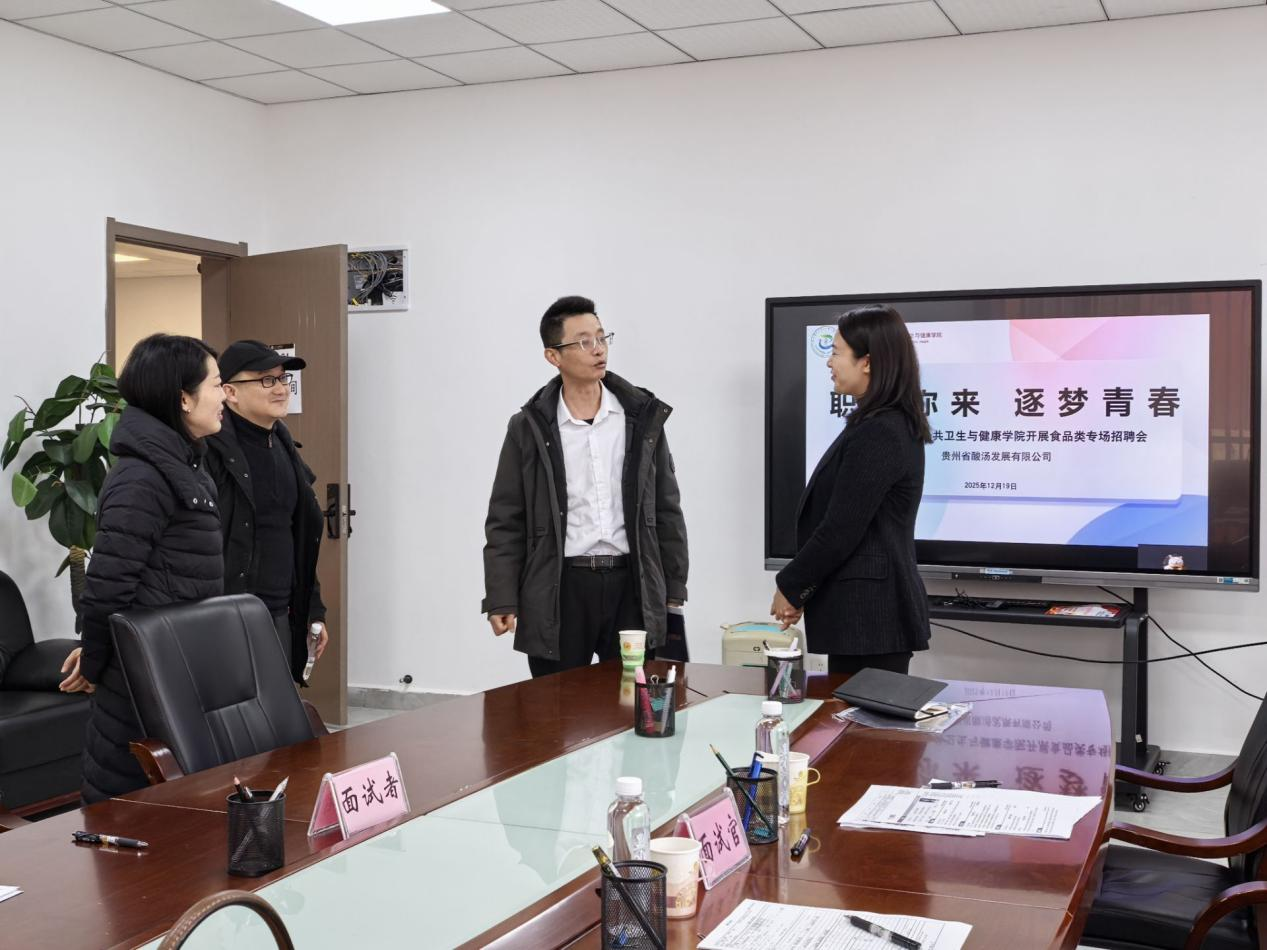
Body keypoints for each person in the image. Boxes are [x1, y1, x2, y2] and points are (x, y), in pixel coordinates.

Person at [483, 295, 688, 677]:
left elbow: (666, 507)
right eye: (583, 341)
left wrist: (674, 589)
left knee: (632, 699)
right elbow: (506, 518)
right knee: (555, 705)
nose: (598, 349)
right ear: (553, 356)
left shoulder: (640, 418)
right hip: (560, 586)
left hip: (632, 584)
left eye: (601, 337)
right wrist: (501, 597)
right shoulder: (529, 428)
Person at [60, 334, 226, 803]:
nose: (225, 396)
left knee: (181, 804)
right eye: (216, 384)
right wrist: (94, 662)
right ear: (183, 398)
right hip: (143, 673)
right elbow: (107, 587)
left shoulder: (184, 464)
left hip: (177, 662)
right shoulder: (142, 477)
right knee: (132, 804)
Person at [770, 304, 932, 676]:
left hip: (871, 619)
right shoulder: (877, 423)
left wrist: (791, 585)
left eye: (836, 352)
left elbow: (841, 528)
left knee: (863, 715)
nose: (829, 363)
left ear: (868, 362)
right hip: (863, 620)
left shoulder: (881, 430)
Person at [204, 340, 328, 683]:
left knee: (278, 709)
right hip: (228, 615)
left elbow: (298, 535)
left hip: (280, 612)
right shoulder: (210, 452)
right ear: (230, 392)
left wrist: (313, 609)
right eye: (266, 380)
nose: (281, 389)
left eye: (283, 379)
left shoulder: (283, 445)